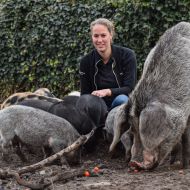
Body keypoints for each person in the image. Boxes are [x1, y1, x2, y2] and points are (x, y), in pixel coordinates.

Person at [79, 18, 137, 110]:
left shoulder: (127, 55)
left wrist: (108, 91)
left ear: (111, 35)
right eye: (96, 36)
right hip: (97, 106)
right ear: (92, 37)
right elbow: (85, 94)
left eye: (103, 35)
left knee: (122, 99)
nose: (99, 40)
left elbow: (129, 88)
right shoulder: (86, 61)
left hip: (120, 103)